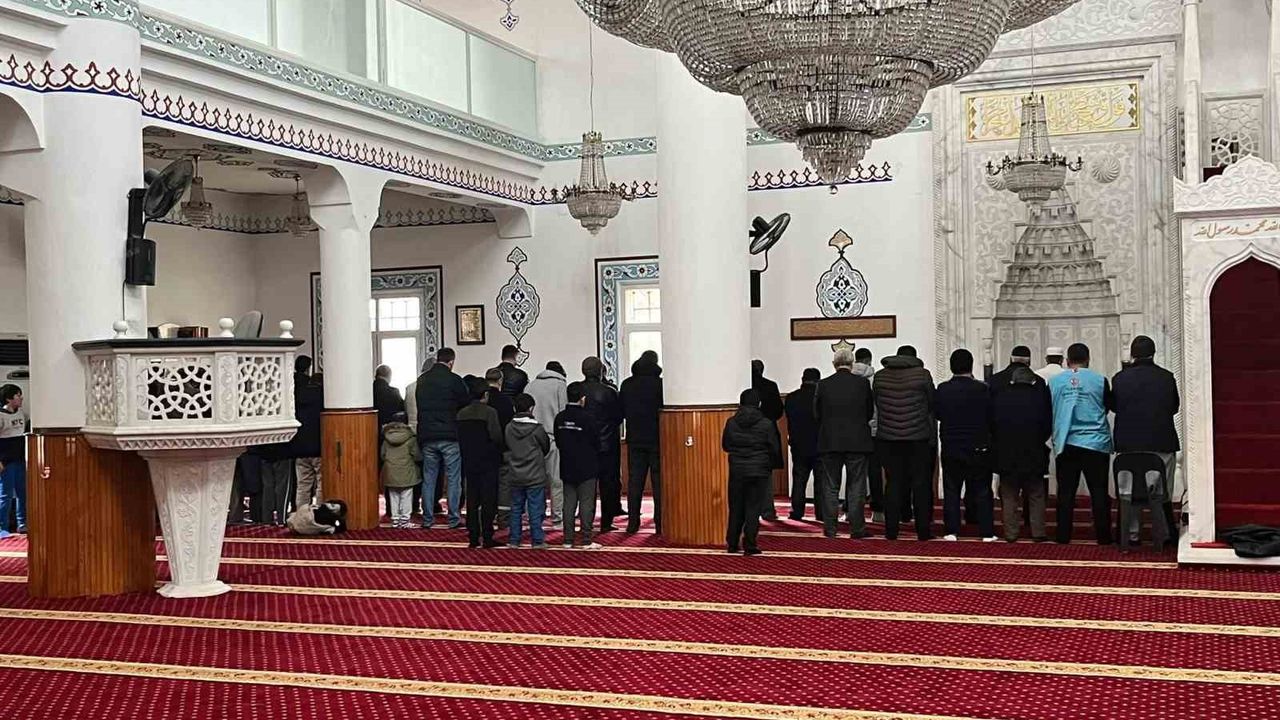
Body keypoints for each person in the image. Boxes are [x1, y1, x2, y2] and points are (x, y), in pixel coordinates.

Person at [1112, 335, 1180, 541]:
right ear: (1153, 353)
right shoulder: (1166, 377)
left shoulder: (1119, 378)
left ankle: (1131, 535)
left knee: (1129, 493)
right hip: (1161, 442)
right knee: (1161, 493)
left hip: (1128, 445)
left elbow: (1114, 406)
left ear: (1132, 355)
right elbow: (1174, 407)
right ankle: (1164, 533)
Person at [1049, 343, 1114, 545]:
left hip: (1066, 443)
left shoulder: (1055, 382)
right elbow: (1107, 406)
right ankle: (1103, 537)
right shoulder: (1100, 380)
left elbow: (1050, 408)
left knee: (1066, 493)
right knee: (1099, 492)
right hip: (1095, 443)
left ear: (1067, 361)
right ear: (1088, 360)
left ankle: (1063, 536)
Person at [933, 349, 997, 541]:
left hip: (951, 445)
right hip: (978, 445)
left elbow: (937, 414)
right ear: (971, 365)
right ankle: (986, 532)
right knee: (982, 489)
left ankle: (951, 530)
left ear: (952, 366)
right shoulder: (983, 389)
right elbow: (991, 416)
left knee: (952, 489)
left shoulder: (943, 389)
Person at [874, 345, 936, 541]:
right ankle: (923, 531)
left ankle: (891, 531)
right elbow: (932, 404)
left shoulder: (880, 376)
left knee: (893, 483)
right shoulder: (923, 375)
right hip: (918, 438)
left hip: (889, 439)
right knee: (920, 484)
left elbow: (876, 404)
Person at [814, 350, 876, 540]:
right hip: (857, 441)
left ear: (834, 364)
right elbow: (869, 412)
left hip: (830, 441)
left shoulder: (823, 384)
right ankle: (857, 529)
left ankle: (830, 529)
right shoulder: (862, 384)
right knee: (856, 486)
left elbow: (817, 414)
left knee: (830, 486)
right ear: (851, 363)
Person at [991, 365, 1052, 543]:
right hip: (1034, 451)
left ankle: (1011, 533)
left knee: (1009, 494)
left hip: (1007, 453)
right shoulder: (1039, 397)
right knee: (1036, 493)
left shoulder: (1002, 397)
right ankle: (1038, 532)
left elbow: (993, 424)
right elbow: (1047, 425)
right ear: (1032, 381)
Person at [415, 347, 470, 529]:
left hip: (427, 435)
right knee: (453, 478)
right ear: (451, 362)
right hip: (450, 435)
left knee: (429, 478)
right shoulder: (454, 380)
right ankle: (453, 518)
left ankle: (427, 518)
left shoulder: (422, 380)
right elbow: (465, 403)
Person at [722, 389, 780, 556]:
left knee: (736, 507)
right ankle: (750, 544)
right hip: (758, 470)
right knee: (753, 508)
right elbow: (774, 448)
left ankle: (732, 543)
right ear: (759, 404)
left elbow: (726, 445)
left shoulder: (731, 422)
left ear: (740, 403)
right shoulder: (766, 424)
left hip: (737, 470)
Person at [620, 350, 663, 534]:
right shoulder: (660, 385)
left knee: (635, 483)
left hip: (635, 439)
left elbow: (621, 411)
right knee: (659, 483)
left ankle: (633, 522)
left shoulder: (627, 384)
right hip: (657, 440)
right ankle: (660, 523)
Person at [458, 377, 503, 548]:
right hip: (488, 461)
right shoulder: (490, 412)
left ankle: (473, 536)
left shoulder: (461, 414)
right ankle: (487, 536)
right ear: (485, 394)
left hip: (469, 460)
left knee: (472, 498)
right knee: (488, 499)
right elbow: (496, 436)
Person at [556, 382, 602, 549]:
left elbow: (558, 441)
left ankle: (567, 539)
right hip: (587, 466)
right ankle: (586, 539)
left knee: (568, 503)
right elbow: (596, 441)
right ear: (583, 398)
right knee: (586, 503)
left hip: (567, 464)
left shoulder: (560, 418)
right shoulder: (588, 418)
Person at [581, 357, 623, 532]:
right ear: (601, 371)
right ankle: (606, 523)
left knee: (585, 486)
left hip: (584, 445)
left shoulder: (576, 390)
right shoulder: (609, 392)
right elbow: (618, 417)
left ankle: (586, 521)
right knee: (608, 485)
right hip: (607, 445)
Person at [527, 361, 569, 528]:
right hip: (553, 438)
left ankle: (535, 516)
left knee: (534, 481)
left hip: (532, 438)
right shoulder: (560, 386)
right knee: (556, 481)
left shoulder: (530, 385)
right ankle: (557, 517)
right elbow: (563, 413)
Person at [505, 393, 550, 549]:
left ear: (514, 408)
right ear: (531, 409)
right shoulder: (537, 429)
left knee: (516, 508)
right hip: (535, 474)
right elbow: (545, 447)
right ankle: (537, 540)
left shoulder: (509, 427)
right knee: (535, 509)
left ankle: (514, 539)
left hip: (515, 473)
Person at [784, 368, 824, 521]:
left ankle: (797, 511)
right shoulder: (821, 398)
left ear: (802, 379)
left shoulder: (791, 398)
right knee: (820, 481)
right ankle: (821, 513)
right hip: (819, 444)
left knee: (799, 480)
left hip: (798, 444)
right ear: (818, 381)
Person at [852, 348, 884, 524]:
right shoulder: (876, 379)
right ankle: (877, 510)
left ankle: (850, 510)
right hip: (873, 431)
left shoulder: (848, 379)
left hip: (854, 431)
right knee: (874, 471)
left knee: (854, 472)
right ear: (869, 360)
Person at [751, 360, 783, 521]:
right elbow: (778, 411)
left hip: (747, 434)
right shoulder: (770, 386)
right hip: (767, 433)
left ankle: (750, 511)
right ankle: (767, 510)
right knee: (766, 474)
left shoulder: (744, 385)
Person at [289, 372, 324, 511]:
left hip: (300, 448)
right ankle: (319, 513)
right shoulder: (323, 398)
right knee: (321, 483)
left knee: (303, 485)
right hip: (318, 448)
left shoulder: (297, 397)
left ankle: (301, 514)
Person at [380, 412, 420, 528]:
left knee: (393, 495)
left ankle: (395, 519)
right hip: (407, 470)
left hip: (390, 471)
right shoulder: (411, 438)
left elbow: (382, 455)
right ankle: (405, 520)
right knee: (406, 495)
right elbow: (417, 456)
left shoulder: (386, 438)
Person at [0, 385, 28, 537]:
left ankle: (22, 523)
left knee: (22, 493)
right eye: (18, 395)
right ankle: (2, 527)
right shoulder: (1, 416)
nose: (21, 398)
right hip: (6, 462)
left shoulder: (21, 414)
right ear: (9, 399)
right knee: (6, 494)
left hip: (20, 460)